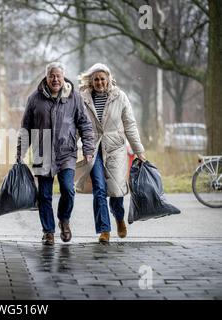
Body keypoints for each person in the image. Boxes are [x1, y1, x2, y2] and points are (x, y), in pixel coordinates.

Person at [17, 62, 95, 245]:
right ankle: (48, 231)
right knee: (44, 195)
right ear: (46, 77)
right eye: (52, 76)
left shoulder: (74, 97)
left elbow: (84, 124)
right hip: (42, 153)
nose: (55, 79)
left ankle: (64, 220)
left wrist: (88, 148)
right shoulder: (34, 99)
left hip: (66, 152)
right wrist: (20, 152)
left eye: (58, 76)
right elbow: (25, 128)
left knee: (68, 189)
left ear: (63, 77)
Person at [75, 63, 146, 243]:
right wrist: (68, 147)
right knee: (99, 189)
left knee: (115, 190)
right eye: (96, 79)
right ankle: (104, 230)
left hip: (116, 148)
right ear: (91, 81)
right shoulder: (82, 99)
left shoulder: (120, 97)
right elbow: (76, 125)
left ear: (108, 80)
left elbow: (129, 125)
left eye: (102, 79)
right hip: (93, 149)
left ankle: (119, 218)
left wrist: (139, 151)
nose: (99, 82)